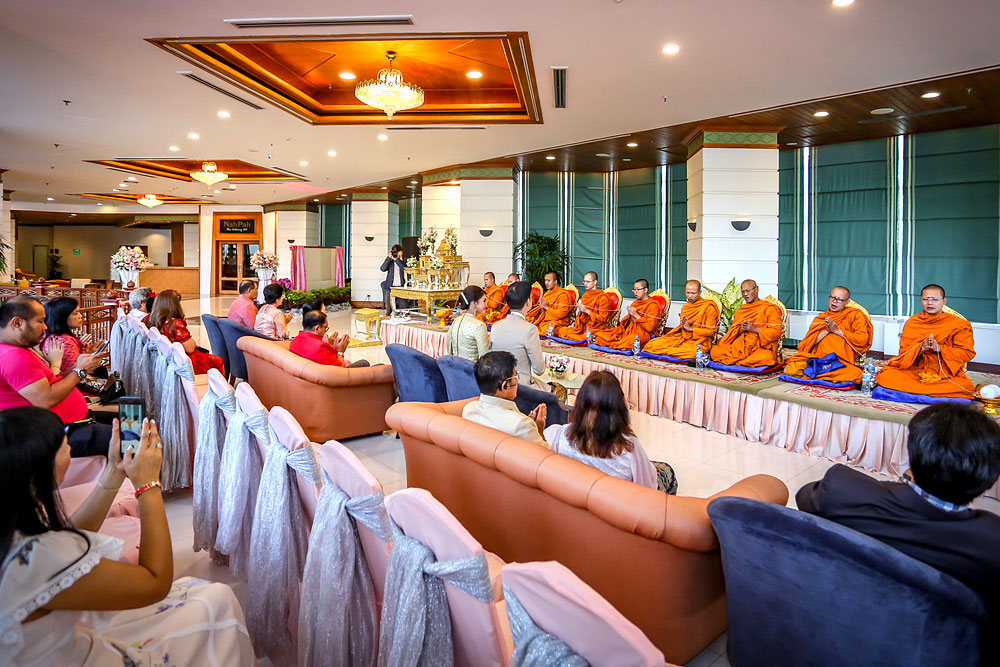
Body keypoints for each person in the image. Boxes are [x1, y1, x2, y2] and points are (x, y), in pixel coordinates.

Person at [0, 407, 255, 665]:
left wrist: (113, 471)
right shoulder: (33, 560)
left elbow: (67, 538)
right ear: (38, 471)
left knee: (204, 594)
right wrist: (148, 485)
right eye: (62, 442)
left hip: (61, 645)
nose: (68, 441)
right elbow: (155, 582)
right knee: (217, 601)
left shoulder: (14, 522)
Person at [796, 403, 1000, 651]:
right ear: (988, 480)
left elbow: (803, 501)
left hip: (832, 620)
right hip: (929, 648)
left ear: (913, 455)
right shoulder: (991, 541)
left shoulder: (843, 489)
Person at [0, 296, 108, 457]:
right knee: (135, 438)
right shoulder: (13, 356)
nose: (45, 327)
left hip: (74, 421)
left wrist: (79, 367)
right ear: (17, 323)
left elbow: (51, 380)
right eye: (40, 321)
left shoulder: (18, 348)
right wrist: (80, 371)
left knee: (132, 418)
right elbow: (45, 399)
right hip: (57, 433)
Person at [544, 371, 677, 494]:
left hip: (577, 497)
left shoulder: (560, 435)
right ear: (618, 407)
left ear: (579, 404)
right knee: (666, 470)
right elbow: (646, 489)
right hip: (618, 508)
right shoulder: (628, 447)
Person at [874, 284, 975, 401]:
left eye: (935, 300)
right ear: (921, 300)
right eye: (926, 299)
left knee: (966, 386)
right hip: (915, 370)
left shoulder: (959, 324)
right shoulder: (913, 322)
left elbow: (967, 354)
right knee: (886, 376)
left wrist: (940, 348)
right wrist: (921, 348)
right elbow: (903, 355)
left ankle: (917, 391)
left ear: (944, 301)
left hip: (943, 373)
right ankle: (930, 392)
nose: (930, 303)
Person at [782, 286, 873, 386]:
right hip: (817, 359)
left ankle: (816, 373)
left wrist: (837, 331)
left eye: (839, 300)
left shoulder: (855, 316)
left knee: (857, 375)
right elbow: (806, 345)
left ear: (847, 302)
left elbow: (862, 340)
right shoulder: (821, 318)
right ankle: (826, 374)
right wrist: (826, 331)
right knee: (789, 370)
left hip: (839, 361)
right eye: (832, 298)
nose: (834, 302)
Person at [462, 351, 549, 448]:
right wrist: (539, 430)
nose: (517, 380)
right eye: (516, 376)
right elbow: (545, 457)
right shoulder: (521, 425)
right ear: (505, 385)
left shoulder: (469, 409)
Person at [488, 281, 549, 391]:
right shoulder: (530, 329)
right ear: (527, 302)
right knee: (554, 392)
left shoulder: (496, 326)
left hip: (497, 384)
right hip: (521, 388)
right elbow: (539, 370)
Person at [148, 289, 225, 374]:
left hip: (167, 359)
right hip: (181, 361)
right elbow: (190, 348)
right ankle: (220, 386)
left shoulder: (151, 320)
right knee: (218, 361)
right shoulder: (174, 323)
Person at [709, 279, 783, 368]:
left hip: (759, 348)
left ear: (756, 290)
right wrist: (741, 329)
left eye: (747, 291)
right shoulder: (741, 311)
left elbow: (776, 332)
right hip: (740, 347)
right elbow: (733, 334)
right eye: (743, 292)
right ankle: (744, 362)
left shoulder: (769, 309)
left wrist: (754, 329)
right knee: (715, 352)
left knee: (766, 357)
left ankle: (738, 361)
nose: (745, 294)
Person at [642, 279, 720, 359]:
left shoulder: (709, 308)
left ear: (699, 292)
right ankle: (671, 351)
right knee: (652, 344)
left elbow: (711, 332)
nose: (689, 296)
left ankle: (670, 352)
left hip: (700, 341)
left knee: (694, 353)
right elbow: (683, 329)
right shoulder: (686, 307)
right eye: (687, 293)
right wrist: (684, 326)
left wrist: (690, 328)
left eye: (693, 293)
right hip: (683, 338)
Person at [40, 297, 109, 378]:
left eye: (79, 312)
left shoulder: (53, 336)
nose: (81, 316)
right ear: (61, 317)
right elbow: (77, 373)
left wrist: (86, 351)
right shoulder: (65, 341)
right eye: (75, 313)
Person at [590, 279, 661, 352]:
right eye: (634, 290)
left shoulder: (653, 305)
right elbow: (627, 323)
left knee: (630, 341)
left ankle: (617, 344)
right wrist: (629, 317)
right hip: (628, 331)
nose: (635, 292)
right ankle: (618, 342)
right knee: (601, 335)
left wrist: (635, 315)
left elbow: (650, 328)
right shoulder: (635, 303)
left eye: (638, 289)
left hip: (643, 335)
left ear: (645, 290)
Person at [289, 307, 371, 368]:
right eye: (325, 327)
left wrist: (332, 347)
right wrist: (340, 351)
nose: (326, 331)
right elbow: (339, 369)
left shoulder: (294, 341)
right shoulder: (319, 347)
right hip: (335, 381)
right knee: (364, 363)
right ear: (317, 328)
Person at [551, 271, 612, 343]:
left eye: (588, 282)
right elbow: (582, 317)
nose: (585, 284)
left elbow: (603, 318)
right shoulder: (586, 295)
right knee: (562, 330)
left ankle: (588, 338)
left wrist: (587, 311)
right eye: (584, 281)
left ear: (595, 282)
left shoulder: (602, 298)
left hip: (595, 327)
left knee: (590, 335)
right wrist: (581, 311)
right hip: (582, 327)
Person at [446, 285, 490, 362]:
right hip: (470, 371)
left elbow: (449, 347)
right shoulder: (479, 325)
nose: (486, 304)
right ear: (474, 303)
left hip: (454, 369)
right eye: (484, 301)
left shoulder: (456, 320)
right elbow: (484, 358)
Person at [380, 244, 406, 316]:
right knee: (389, 308)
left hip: (401, 287)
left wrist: (396, 259)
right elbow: (382, 269)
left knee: (403, 308)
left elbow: (404, 268)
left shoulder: (404, 260)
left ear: (400, 252)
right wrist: (389, 258)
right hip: (390, 287)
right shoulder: (390, 261)